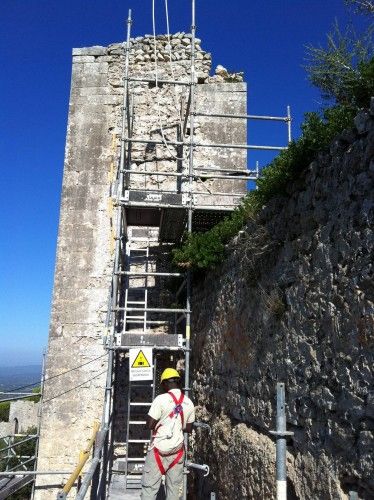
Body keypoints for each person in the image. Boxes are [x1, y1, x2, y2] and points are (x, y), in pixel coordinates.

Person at [141, 368, 195, 500]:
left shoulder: (161, 399)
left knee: (149, 488)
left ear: (165, 383)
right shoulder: (189, 403)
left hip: (158, 450)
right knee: (173, 490)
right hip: (177, 452)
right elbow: (188, 428)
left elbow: (149, 425)